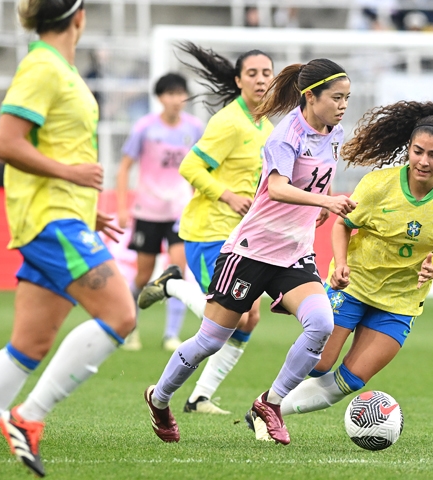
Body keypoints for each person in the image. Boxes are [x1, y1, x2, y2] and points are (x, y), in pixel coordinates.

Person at [0, 0, 136, 478]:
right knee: (120, 313)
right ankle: (28, 418)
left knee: (28, 346)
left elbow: (54, 148)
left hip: (64, 215)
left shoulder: (62, 71)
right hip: (51, 221)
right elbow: (5, 143)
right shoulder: (42, 67)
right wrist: (72, 176)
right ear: (79, 18)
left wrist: (85, 206)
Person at [141, 57, 356, 446]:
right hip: (251, 251)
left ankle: (269, 404)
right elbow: (276, 187)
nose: (343, 105)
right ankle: (159, 399)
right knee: (211, 340)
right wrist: (324, 203)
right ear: (311, 96)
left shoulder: (334, 132)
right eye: (337, 98)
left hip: (293, 254)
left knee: (321, 324)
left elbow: (321, 178)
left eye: (347, 98)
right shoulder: (284, 135)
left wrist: (319, 204)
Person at [278, 101, 433, 418]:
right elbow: (342, 224)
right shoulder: (379, 185)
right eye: (418, 151)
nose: (424, 161)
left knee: (351, 379)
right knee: (321, 362)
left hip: (400, 300)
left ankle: (269, 409)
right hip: (354, 285)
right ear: (408, 149)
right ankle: (270, 397)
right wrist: (340, 264)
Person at [138, 42, 275, 415]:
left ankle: (200, 397)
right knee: (228, 313)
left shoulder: (265, 125)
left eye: (266, 73)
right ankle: (171, 284)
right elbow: (190, 168)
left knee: (250, 317)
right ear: (238, 80)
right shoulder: (228, 122)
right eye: (252, 73)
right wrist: (227, 195)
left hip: (244, 234)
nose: (261, 79)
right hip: (209, 229)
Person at [116, 72, 204, 352]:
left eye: (181, 94)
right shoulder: (144, 128)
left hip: (180, 210)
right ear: (160, 98)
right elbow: (124, 167)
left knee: (176, 270)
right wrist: (121, 207)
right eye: (170, 94)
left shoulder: (195, 128)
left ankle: (170, 335)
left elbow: (203, 168)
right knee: (143, 276)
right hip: (148, 210)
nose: (176, 100)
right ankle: (130, 328)